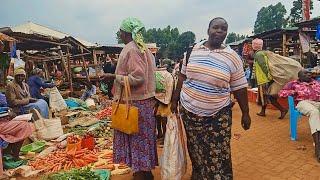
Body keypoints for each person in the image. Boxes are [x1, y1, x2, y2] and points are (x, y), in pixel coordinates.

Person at [171, 17, 251, 179]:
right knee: (195, 148)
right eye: (216, 27)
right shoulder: (193, 50)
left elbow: (240, 87)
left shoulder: (232, 57)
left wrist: (246, 113)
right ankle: (199, 174)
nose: (219, 31)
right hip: (189, 112)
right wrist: (174, 100)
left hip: (217, 114)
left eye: (223, 29)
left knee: (218, 154)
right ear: (208, 30)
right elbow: (182, 77)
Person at [102, 17, 157, 180]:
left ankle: (141, 175)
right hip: (143, 103)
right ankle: (145, 174)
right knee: (143, 141)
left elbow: (138, 77)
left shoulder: (132, 49)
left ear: (126, 32)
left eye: (120, 30)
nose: (119, 33)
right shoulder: (142, 48)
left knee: (137, 141)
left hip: (135, 104)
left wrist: (114, 77)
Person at [279, 69, 320, 162]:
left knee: (315, 112)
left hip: (317, 103)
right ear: (299, 77)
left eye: (309, 73)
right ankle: (318, 147)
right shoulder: (293, 84)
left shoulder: (316, 82)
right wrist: (294, 92)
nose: (308, 74)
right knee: (314, 112)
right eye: (305, 73)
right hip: (303, 102)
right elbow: (281, 93)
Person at [252, 38, 287, 119]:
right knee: (264, 97)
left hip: (264, 79)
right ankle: (263, 111)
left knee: (268, 97)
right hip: (264, 79)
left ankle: (282, 110)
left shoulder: (258, 55)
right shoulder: (261, 53)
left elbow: (264, 66)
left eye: (253, 44)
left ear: (255, 46)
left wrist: (268, 76)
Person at [0, 106, 34, 179]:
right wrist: (6, 112)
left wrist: (6, 110)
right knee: (24, 125)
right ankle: (15, 155)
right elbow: (14, 102)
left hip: (3, 119)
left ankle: (13, 153)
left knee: (24, 123)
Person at [154, 66, 174, 145]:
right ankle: (164, 137)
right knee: (164, 119)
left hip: (156, 100)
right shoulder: (169, 75)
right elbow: (171, 88)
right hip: (166, 100)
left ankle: (160, 134)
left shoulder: (155, 74)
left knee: (157, 117)